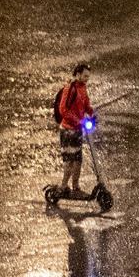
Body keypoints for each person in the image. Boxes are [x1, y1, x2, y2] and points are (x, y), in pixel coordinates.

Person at [57, 62, 94, 195]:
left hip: (78, 130)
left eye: (88, 77)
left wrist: (91, 112)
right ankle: (63, 186)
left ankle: (75, 186)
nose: (86, 79)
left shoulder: (83, 88)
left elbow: (86, 104)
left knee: (78, 160)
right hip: (67, 130)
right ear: (77, 74)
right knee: (69, 161)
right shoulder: (70, 88)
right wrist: (78, 121)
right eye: (84, 76)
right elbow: (63, 110)